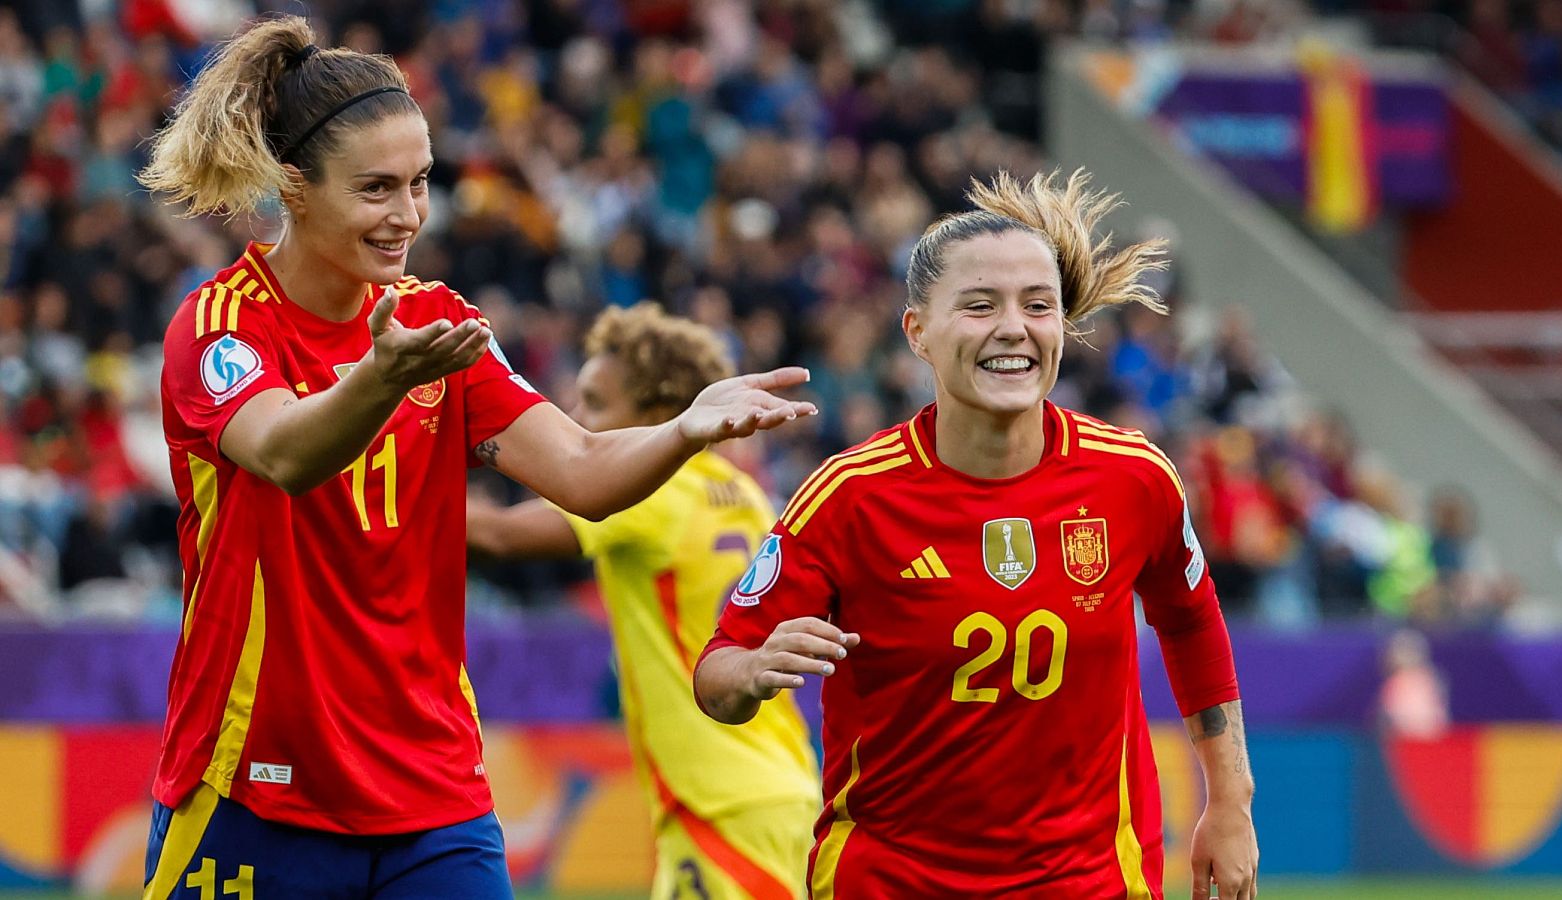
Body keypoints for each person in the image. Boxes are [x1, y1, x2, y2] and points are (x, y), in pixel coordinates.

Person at [136, 17, 813, 900]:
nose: (408, 215)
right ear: (294, 188)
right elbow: (281, 452)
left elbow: (580, 470)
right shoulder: (223, 324)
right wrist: (379, 379)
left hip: (435, 799)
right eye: (376, 189)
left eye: (420, 184)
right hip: (256, 786)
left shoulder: (436, 323)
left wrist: (682, 428)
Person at [695, 170, 1260, 899]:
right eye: (980, 306)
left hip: (1090, 880)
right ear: (917, 332)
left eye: (1038, 306)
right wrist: (749, 672)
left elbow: (1192, 624)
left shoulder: (1134, 479)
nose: (1013, 329)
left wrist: (1231, 802)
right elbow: (718, 671)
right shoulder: (849, 498)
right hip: (892, 881)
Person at [465, 302, 820, 899]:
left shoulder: (654, 495)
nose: (577, 420)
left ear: (659, 413)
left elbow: (498, 536)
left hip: (718, 797)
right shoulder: (742, 493)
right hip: (779, 784)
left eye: (597, 403)